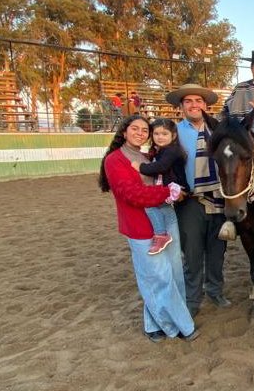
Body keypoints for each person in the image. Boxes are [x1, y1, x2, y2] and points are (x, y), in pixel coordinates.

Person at [98, 115, 199, 343]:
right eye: (135, 128)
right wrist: (168, 193)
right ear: (124, 132)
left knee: (172, 274)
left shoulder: (146, 156)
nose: (140, 133)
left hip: (166, 217)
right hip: (140, 224)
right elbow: (131, 194)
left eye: (145, 130)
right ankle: (182, 326)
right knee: (157, 277)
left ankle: (154, 324)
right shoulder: (115, 160)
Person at [165, 83, 231, 316]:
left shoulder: (220, 130)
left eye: (199, 101)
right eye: (189, 101)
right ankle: (193, 298)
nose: (194, 105)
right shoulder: (173, 132)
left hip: (218, 199)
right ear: (181, 106)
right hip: (190, 200)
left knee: (217, 250)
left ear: (206, 105)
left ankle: (215, 290)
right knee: (192, 252)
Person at [131, 118, 188, 255]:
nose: (160, 137)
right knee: (163, 208)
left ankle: (161, 234)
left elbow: (161, 166)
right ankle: (168, 236)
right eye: (156, 134)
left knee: (149, 204)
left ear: (173, 136)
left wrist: (141, 167)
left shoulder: (172, 150)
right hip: (168, 187)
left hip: (176, 187)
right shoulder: (162, 150)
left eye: (164, 134)